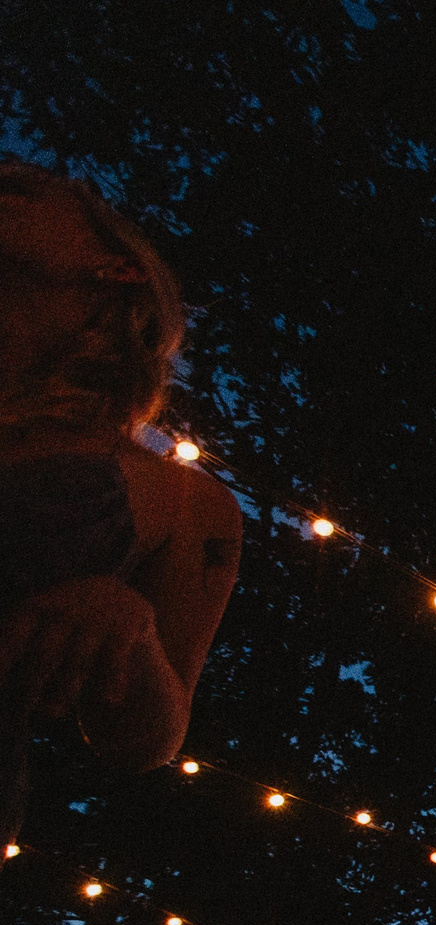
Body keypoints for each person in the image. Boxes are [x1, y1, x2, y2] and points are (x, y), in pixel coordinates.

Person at [0, 165, 239, 843]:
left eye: (19, 193)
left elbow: (150, 740)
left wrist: (127, 628)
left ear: (117, 268)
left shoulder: (182, 500)